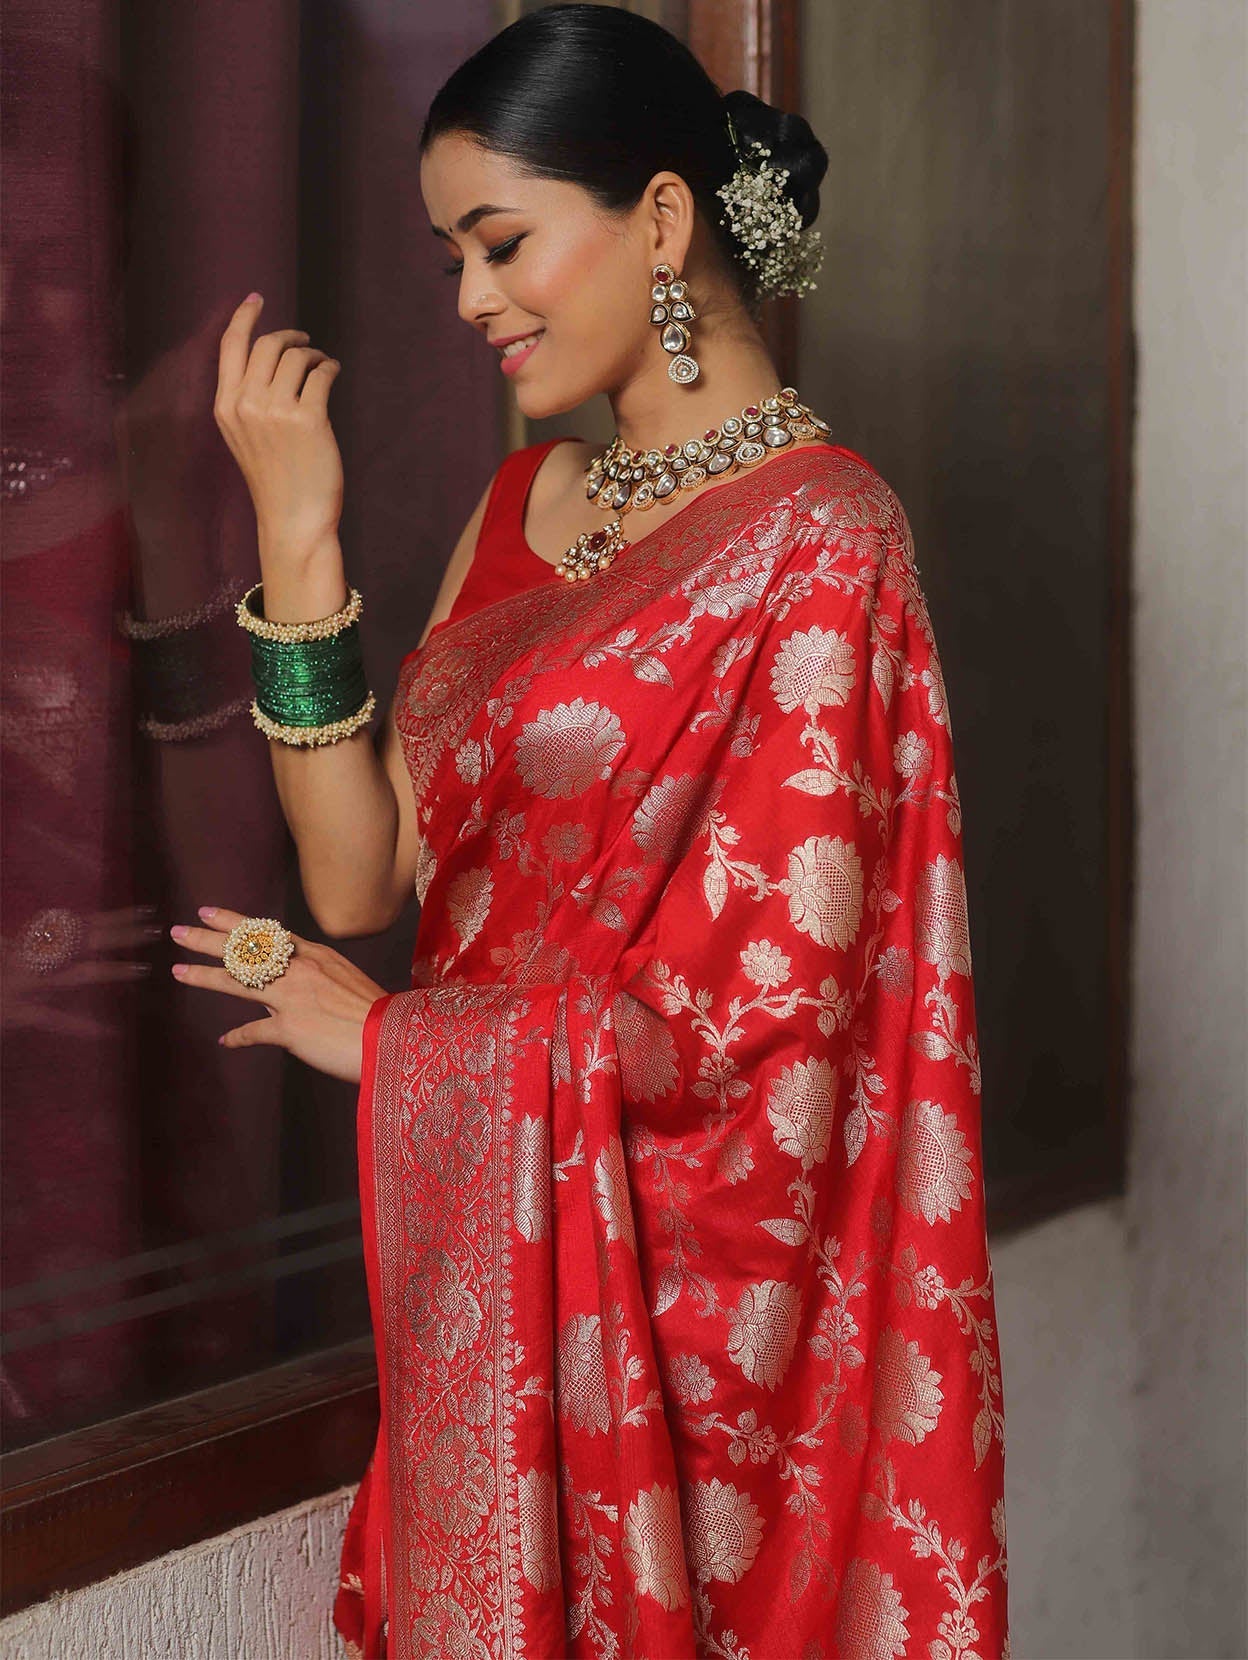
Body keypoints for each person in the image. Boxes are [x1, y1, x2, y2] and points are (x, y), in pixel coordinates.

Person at [170, 7, 1009, 1656]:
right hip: (488, 1261)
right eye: (450, 256)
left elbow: (778, 1035)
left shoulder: (825, 543)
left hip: (682, 1328)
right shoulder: (521, 504)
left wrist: (404, 1045)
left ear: (666, 222)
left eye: (502, 243)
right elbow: (360, 874)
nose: (471, 298)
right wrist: (300, 531)